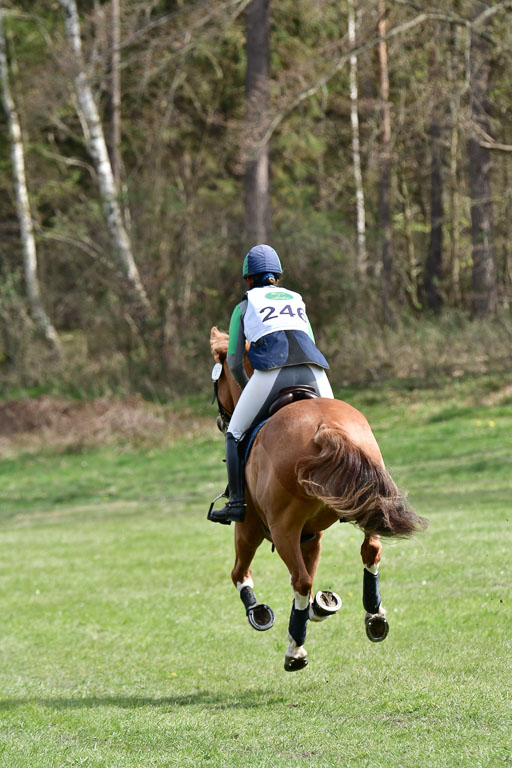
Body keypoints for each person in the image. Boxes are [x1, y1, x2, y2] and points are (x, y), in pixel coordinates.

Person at [209, 243, 334, 524]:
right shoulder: (297, 299)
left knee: (235, 433)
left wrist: (248, 386)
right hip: (314, 371)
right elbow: (310, 341)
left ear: (248, 279)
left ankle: (237, 503)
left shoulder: (243, 306)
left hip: (271, 371)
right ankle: (359, 495)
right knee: (338, 428)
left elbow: (233, 361)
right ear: (277, 276)